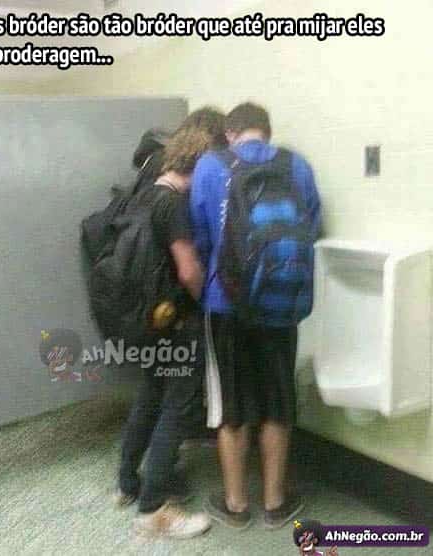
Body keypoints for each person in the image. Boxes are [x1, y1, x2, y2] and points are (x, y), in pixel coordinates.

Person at [189, 101, 321, 530]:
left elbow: (201, 237)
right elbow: (311, 228)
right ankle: (275, 503)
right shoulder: (296, 165)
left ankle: (235, 505)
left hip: (226, 304)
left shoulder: (211, 166)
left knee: (231, 405)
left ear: (230, 133)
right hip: (281, 304)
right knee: (277, 401)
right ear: (267, 131)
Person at [115, 107, 226, 539]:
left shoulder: (149, 190)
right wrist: (206, 302)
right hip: (178, 322)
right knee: (177, 409)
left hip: (149, 321)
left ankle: (128, 483)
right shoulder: (174, 204)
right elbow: (188, 270)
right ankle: (154, 508)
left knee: (149, 398)